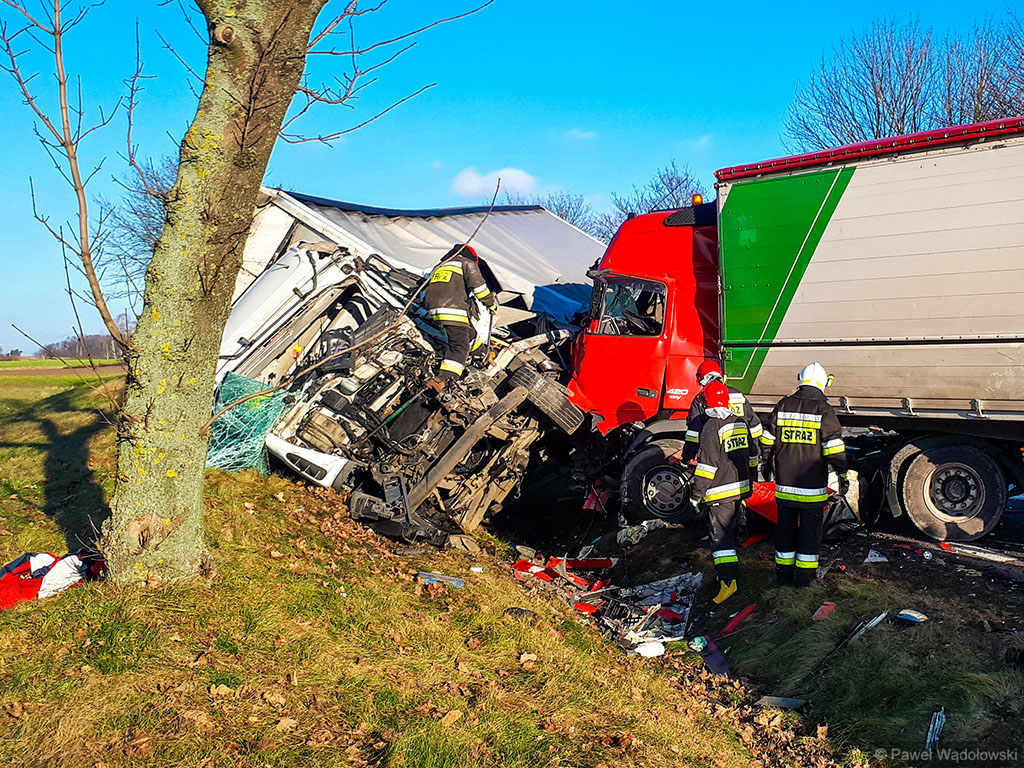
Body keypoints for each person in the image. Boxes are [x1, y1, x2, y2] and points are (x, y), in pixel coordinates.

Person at [760, 362, 849, 587]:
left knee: (785, 533)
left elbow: (767, 440)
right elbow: (834, 449)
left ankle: (783, 578)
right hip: (812, 490)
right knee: (809, 537)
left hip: (785, 487)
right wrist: (843, 474)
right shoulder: (824, 410)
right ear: (822, 383)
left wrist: (765, 463)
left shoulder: (783, 405)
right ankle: (804, 582)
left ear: (800, 380)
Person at [690, 380, 758, 604]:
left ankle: (728, 582)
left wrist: (696, 494)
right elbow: (752, 456)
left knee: (720, 539)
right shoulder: (739, 422)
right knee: (729, 533)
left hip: (720, 492)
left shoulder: (711, 427)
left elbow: (707, 467)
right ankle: (729, 576)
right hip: (740, 489)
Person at [682, 360, 762, 537]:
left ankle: (721, 531)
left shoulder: (702, 398)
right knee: (739, 487)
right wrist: (754, 455)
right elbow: (755, 427)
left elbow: (694, 433)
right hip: (742, 450)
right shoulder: (739, 396)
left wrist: (687, 459)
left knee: (722, 489)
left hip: (718, 453)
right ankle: (741, 523)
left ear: (702, 378)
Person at [422, 243, 497, 386]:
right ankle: (445, 380)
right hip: (453, 310)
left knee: (468, 334)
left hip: (434, 310)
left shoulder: (439, 267)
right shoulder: (466, 263)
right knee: (459, 347)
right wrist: (491, 304)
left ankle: (481, 353)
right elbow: (479, 288)